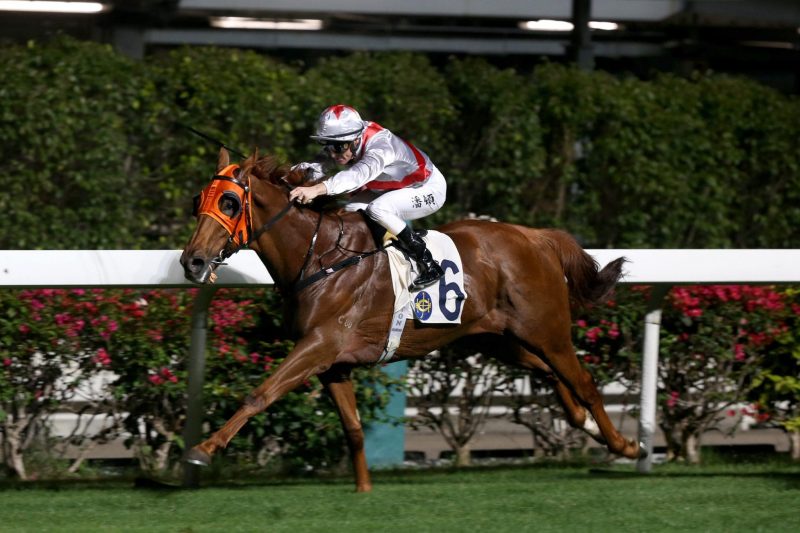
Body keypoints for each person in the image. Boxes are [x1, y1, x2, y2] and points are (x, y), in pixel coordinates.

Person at [289, 104, 447, 290]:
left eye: (338, 147)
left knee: (378, 209)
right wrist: (291, 176)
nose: (332, 153)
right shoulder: (347, 138)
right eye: (327, 145)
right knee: (350, 210)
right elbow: (318, 166)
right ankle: (372, 257)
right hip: (391, 187)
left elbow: (355, 177)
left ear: (356, 140)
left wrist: (316, 190)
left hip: (427, 188)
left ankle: (428, 263)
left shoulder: (381, 148)